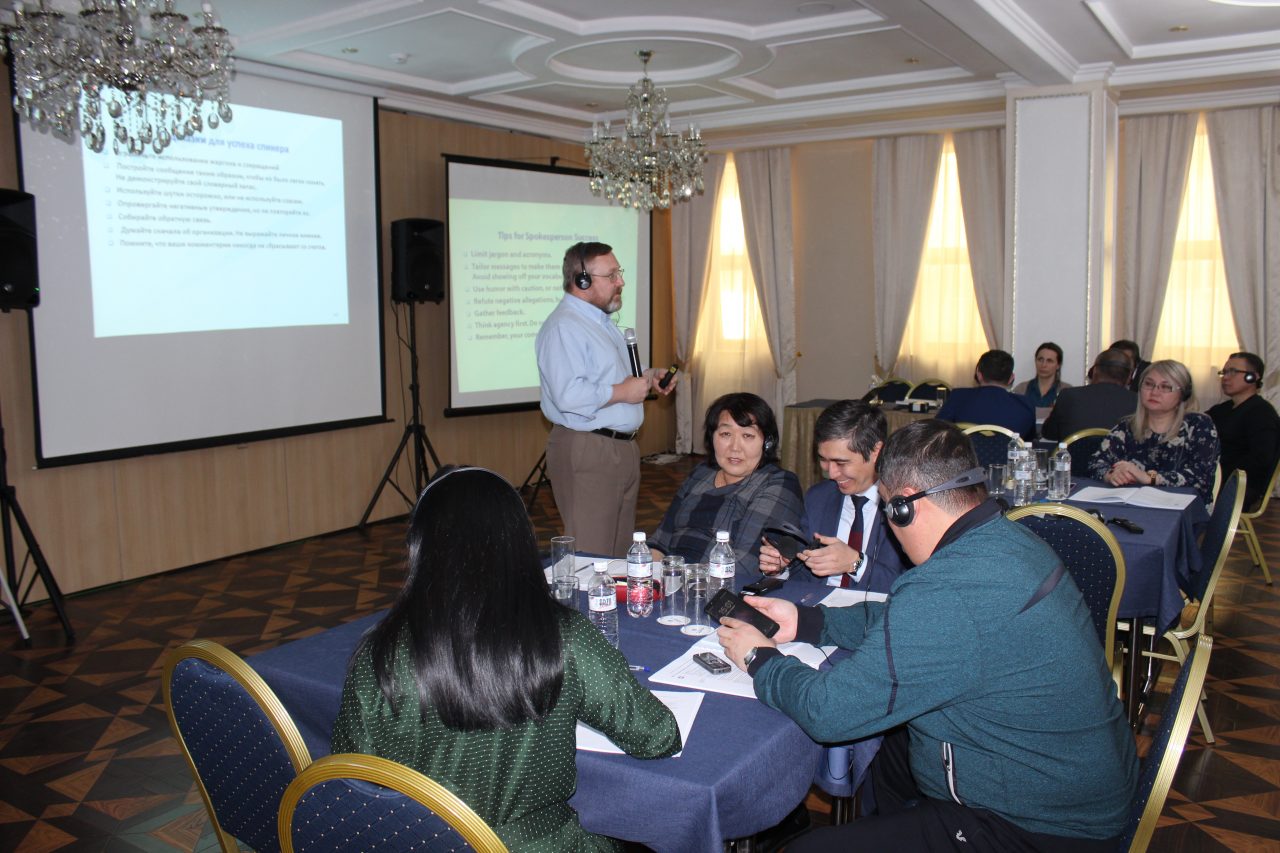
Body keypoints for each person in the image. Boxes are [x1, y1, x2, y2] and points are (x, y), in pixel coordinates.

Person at [717, 420, 1137, 851]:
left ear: (905, 506)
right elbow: (912, 620)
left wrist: (759, 657)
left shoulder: (946, 590)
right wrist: (809, 622)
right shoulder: (1007, 538)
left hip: (1038, 827)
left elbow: (828, 711)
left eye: (886, 509)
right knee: (885, 751)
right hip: (1074, 782)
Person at [332, 466, 680, 852]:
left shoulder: (381, 653)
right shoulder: (565, 635)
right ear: (521, 541)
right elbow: (657, 736)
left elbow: (352, 780)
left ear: (419, 545)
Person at [535, 242, 676, 556]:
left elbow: (613, 376)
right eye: (611, 275)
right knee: (591, 554)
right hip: (590, 447)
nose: (620, 281)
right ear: (582, 281)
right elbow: (569, 395)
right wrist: (623, 392)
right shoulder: (564, 327)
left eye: (619, 273)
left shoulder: (601, 324)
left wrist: (650, 376)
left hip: (620, 448)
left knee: (618, 554)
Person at [757, 399, 910, 592]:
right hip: (816, 605)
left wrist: (856, 564)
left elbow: (915, 586)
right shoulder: (819, 498)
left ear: (876, 452)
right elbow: (804, 574)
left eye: (841, 463)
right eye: (823, 460)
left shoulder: (905, 506)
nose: (831, 473)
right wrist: (781, 569)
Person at [649, 393, 803, 576]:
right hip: (672, 579)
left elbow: (744, 565)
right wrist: (645, 573)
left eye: (747, 435)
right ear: (712, 437)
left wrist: (676, 578)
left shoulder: (778, 483)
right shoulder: (701, 473)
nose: (735, 447)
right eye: (726, 434)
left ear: (767, 443)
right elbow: (660, 541)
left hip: (720, 586)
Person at [1088, 359, 1220, 505]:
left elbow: (1201, 479)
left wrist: (1149, 478)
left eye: (1166, 387)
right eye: (1149, 384)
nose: (1154, 392)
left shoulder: (1199, 425)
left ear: (1183, 394)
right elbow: (1096, 464)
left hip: (1184, 511)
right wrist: (1111, 475)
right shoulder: (1126, 427)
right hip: (1131, 507)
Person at [1207, 352, 1280, 511]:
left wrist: (1215, 473)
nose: (1226, 377)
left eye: (1233, 372)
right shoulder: (1221, 410)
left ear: (1252, 377)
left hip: (1238, 485)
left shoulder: (1262, 413)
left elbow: (1261, 458)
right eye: (1224, 372)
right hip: (1216, 477)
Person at [1040, 347, 1138, 442]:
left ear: (1094, 372)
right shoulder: (1137, 401)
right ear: (1129, 377)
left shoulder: (1068, 396)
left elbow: (1049, 433)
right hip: (1119, 454)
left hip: (1074, 454)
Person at [936, 349, 1035, 439]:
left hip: (965, 452)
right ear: (1011, 378)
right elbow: (1029, 442)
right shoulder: (1026, 405)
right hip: (1007, 454)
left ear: (979, 375)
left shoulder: (958, 397)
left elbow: (936, 431)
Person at [1012, 341, 1070, 413]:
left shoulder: (1067, 391)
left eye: (1049, 361)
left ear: (1058, 365)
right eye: (1040, 360)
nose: (1043, 365)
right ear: (1035, 361)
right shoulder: (1020, 389)